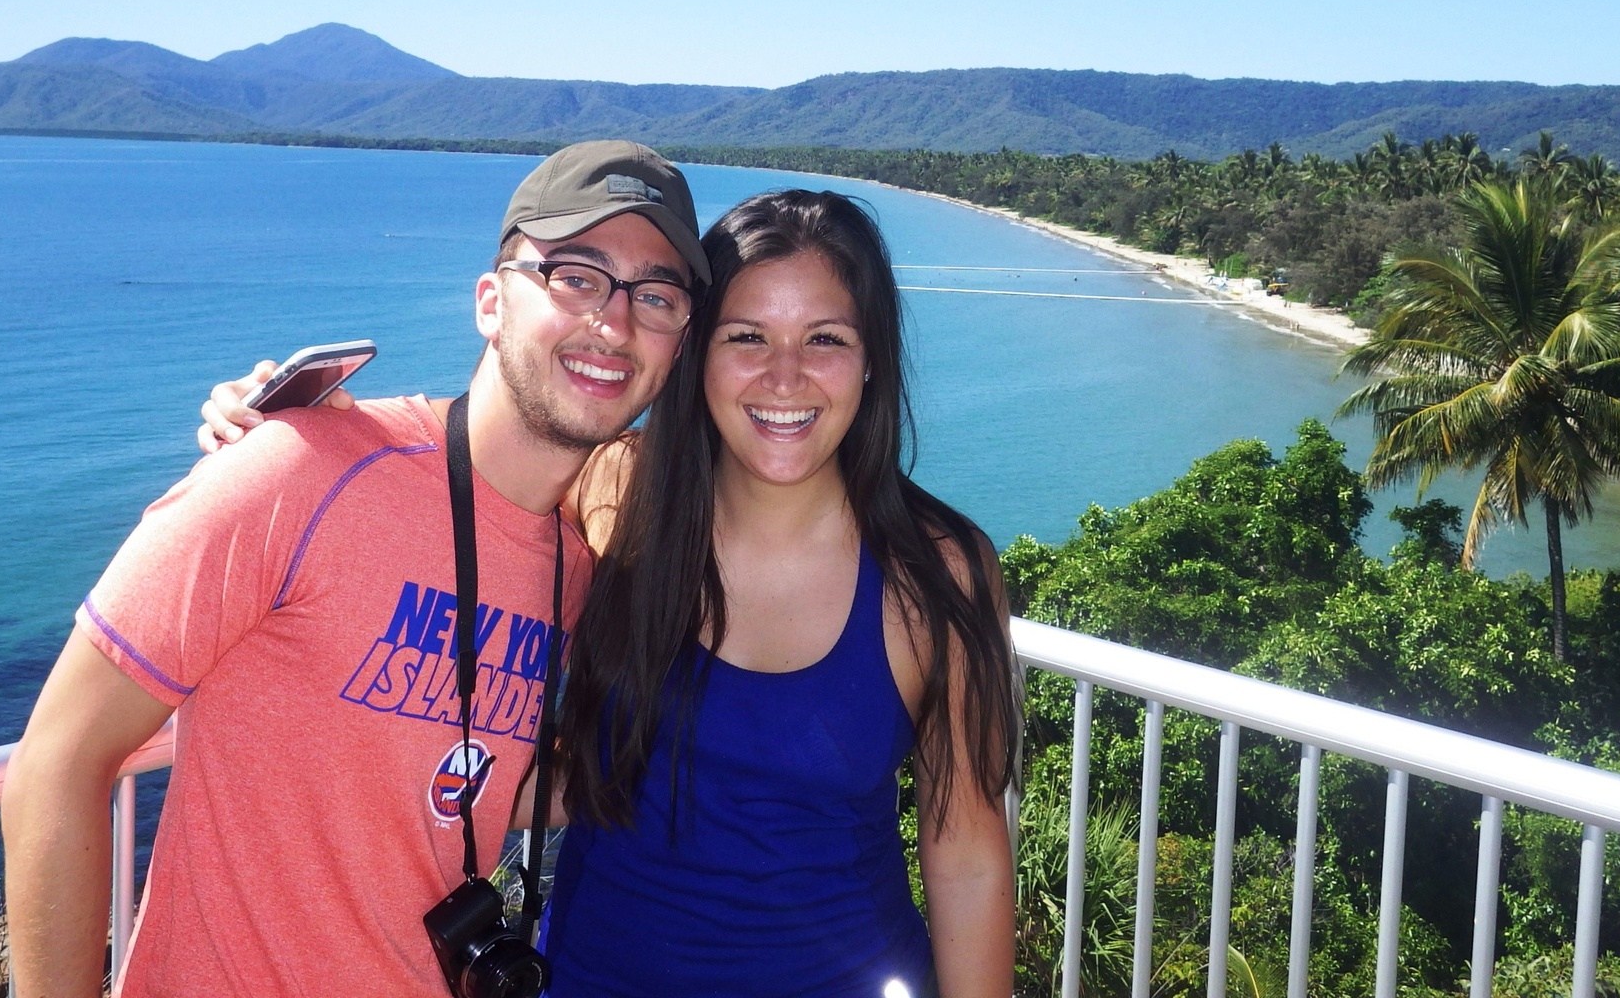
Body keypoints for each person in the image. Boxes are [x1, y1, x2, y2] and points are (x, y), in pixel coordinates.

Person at [204, 189, 1019, 997]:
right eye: (746, 336)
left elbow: (970, 858)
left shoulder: (936, 572)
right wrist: (292, 426)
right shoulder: (614, 492)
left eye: (825, 339)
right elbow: (449, 476)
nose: (784, 376)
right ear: (698, 352)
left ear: (871, 357)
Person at [1, 140, 709, 997]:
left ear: (678, 345)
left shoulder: (577, 568)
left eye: (658, 296)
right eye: (576, 276)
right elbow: (59, 760)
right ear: (491, 301)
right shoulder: (301, 469)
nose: (615, 321)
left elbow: (478, 771)